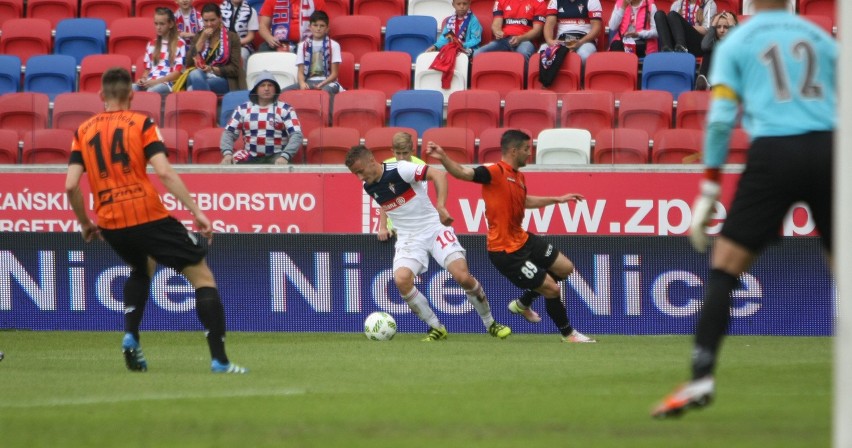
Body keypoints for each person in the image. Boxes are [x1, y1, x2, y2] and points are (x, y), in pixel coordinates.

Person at [651, 0, 836, 418]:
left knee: (726, 265)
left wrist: (711, 185)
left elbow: (719, 121)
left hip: (773, 151)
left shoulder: (738, 41)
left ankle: (700, 376)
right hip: (829, 149)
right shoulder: (822, 38)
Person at [64, 67, 248, 374]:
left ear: (101, 96)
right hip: (146, 213)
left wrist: (85, 222)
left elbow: (71, 185)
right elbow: (163, 172)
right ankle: (220, 361)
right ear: (132, 95)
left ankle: (130, 334)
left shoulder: (83, 131)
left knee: (142, 266)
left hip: (110, 221)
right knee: (202, 277)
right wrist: (196, 212)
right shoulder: (141, 123)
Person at [425, 130, 596, 343]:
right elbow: (461, 172)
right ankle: (568, 334)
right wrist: (443, 157)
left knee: (565, 268)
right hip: (505, 251)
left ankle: (523, 303)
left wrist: (557, 199)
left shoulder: (518, 176)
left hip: (523, 239)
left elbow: (524, 201)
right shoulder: (494, 172)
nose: (530, 154)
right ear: (514, 151)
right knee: (552, 288)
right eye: (526, 149)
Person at [345, 145, 513, 342]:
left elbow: (439, 175)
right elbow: (385, 202)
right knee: (401, 280)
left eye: (360, 171)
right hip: (408, 238)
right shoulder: (369, 185)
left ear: (371, 161)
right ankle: (436, 327)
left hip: (434, 229)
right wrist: (383, 225)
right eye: (355, 174)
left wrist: (441, 205)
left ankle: (490, 323)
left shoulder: (401, 169)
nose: (359, 177)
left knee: (462, 276)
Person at [221, 71, 303, 164]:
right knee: (228, 166)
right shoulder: (242, 109)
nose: (266, 88)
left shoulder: (286, 109)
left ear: (275, 89)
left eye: (270, 85)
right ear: (256, 89)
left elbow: (296, 134)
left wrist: (285, 156)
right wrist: (227, 153)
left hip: (277, 156)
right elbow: (229, 133)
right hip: (249, 155)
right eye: (262, 85)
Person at [185, 3, 247, 94]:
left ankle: (201, 104)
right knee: (195, 74)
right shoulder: (199, 36)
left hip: (224, 79)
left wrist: (211, 69)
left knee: (191, 87)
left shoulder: (232, 37)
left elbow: (235, 69)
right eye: (206, 21)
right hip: (201, 75)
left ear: (220, 18)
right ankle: (206, 106)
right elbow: (189, 63)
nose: (209, 24)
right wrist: (202, 40)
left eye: (213, 20)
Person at [378, 131, 425, 241]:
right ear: (392, 151)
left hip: (417, 228)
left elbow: (421, 199)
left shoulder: (421, 166)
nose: (401, 157)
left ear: (412, 151)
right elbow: (383, 199)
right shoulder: (385, 167)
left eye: (405, 153)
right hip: (393, 229)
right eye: (398, 153)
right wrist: (383, 227)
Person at [281, 11, 341, 95]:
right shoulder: (302, 46)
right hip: (308, 81)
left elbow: (334, 74)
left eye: (322, 26)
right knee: (283, 92)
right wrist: (302, 83)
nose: (318, 28)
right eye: (315, 25)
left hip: (328, 81)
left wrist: (322, 84)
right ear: (310, 27)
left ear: (327, 28)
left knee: (325, 92)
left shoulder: (334, 45)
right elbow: (300, 72)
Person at [473, 0, 547, 62]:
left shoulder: (539, 2)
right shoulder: (501, 1)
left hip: (526, 40)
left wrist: (520, 38)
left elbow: (537, 32)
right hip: (504, 40)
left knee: (524, 53)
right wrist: (497, 31)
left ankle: (524, 79)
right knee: (477, 54)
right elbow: (496, 24)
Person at [135, 8, 187, 95]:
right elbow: (147, 69)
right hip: (150, 81)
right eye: (156, 24)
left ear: (171, 24)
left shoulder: (180, 44)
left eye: (162, 24)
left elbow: (178, 73)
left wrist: (156, 81)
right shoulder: (151, 44)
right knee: (131, 89)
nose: (158, 27)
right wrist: (143, 79)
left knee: (151, 91)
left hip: (168, 83)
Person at [257, 0, 326, 52]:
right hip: (278, 43)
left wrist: (311, 40)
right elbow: (263, 25)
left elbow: (324, 25)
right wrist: (269, 38)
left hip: (308, 43)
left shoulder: (316, 1)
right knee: (264, 48)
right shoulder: (271, 0)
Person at [695, 10, 737, 90]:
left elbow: (737, 46)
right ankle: (705, 81)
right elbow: (704, 46)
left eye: (726, 27)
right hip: (713, 76)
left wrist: (732, 25)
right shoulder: (712, 43)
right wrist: (713, 25)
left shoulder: (737, 41)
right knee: (708, 50)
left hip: (730, 78)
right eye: (718, 27)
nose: (721, 30)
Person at [220, 0, 259, 68]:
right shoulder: (219, 10)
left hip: (242, 45)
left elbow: (250, 36)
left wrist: (236, 43)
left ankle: (241, 78)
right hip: (221, 44)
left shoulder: (251, 11)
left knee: (242, 55)